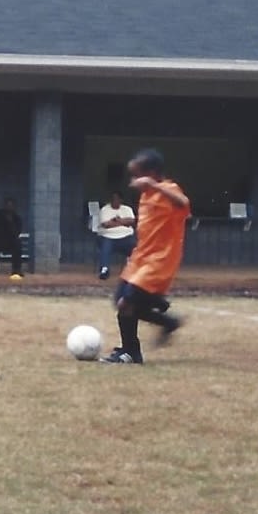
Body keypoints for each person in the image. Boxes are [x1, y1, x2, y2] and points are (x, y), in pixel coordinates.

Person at [102, 149, 190, 364]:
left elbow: (183, 202)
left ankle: (131, 352)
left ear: (151, 173)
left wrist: (153, 185)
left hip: (159, 260)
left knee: (126, 304)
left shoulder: (168, 189)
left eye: (136, 175)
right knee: (120, 302)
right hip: (140, 258)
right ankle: (165, 318)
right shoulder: (145, 196)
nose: (133, 181)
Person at [95, 191, 136, 280]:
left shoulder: (127, 209)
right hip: (108, 237)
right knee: (105, 247)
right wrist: (122, 222)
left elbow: (132, 221)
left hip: (126, 237)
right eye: (113, 199)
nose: (115, 201)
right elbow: (106, 225)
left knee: (134, 247)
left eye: (117, 199)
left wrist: (114, 221)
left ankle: (132, 270)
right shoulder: (105, 209)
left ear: (121, 200)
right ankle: (104, 270)